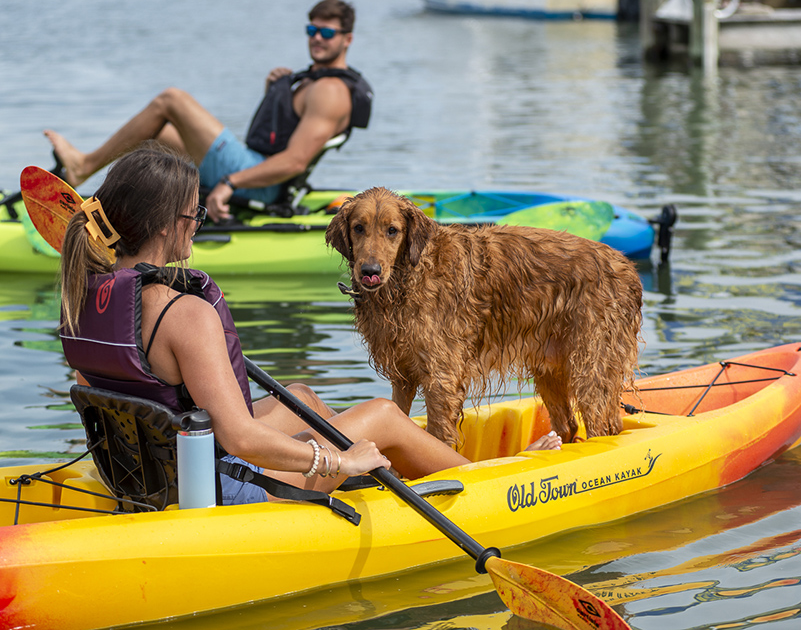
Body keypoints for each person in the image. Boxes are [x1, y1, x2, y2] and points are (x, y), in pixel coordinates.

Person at [58, 147, 561, 505]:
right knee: (384, 413)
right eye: (196, 214)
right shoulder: (184, 314)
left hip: (144, 475)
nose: (199, 222)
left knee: (299, 397)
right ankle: (490, 483)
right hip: (215, 489)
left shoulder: (85, 297)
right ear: (168, 223)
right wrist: (338, 464)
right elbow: (241, 441)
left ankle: (401, 476)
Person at [44, 0, 373, 224]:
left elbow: (295, 160)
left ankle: (82, 166)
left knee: (171, 100)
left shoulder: (330, 91)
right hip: (256, 166)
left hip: (260, 181)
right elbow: (281, 137)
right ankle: (116, 210)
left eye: (327, 33)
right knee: (156, 135)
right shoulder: (313, 82)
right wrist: (276, 93)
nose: (317, 38)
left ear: (348, 39)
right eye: (311, 30)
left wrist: (229, 183)